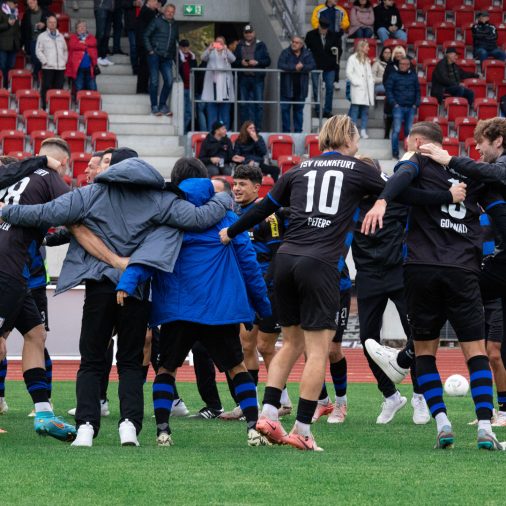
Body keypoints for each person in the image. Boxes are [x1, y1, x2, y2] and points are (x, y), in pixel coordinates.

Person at [0, 153, 232, 447]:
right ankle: (129, 426)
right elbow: (200, 219)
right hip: (136, 287)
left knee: (92, 360)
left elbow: (45, 213)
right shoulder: (159, 199)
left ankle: (85, 428)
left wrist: (8, 211)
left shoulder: (91, 193)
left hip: (99, 287)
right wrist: (224, 198)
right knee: (131, 362)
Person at [219, 115, 397, 451]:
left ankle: (268, 415)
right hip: (320, 264)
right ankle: (301, 429)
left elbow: (263, 208)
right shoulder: (358, 168)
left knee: (290, 344)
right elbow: (399, 186)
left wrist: (231, 231)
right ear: (349, 138)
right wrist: (391, 199)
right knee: (317, 351)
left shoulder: (298, 169)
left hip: (285, 261)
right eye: (357, 138)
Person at [362, 121, 506, 451]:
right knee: (476, 351)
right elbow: (498, 212)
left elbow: (400, 184)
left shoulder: (417, 162)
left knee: (426, 350)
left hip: (421, 268)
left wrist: (383, 200)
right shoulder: (474, 173)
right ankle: (486, 427)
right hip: (463, 269)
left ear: (418, 143)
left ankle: (442, 423)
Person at [115, 159, 272, 448]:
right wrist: (262, 306)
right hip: (218, 310)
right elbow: (249, 265)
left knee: (167, 370)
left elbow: (148, 255)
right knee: (236, 367)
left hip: (178, 310)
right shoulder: (227, 218)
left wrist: (128, 281)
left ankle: (163, 430)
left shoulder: (169, 217)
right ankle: (253, 428)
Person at [0, 141, 77, 442]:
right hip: (7, 271)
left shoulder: (13, 181)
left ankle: (44, 413)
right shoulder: (46, 177)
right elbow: (74, 208)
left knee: (35, 334)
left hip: (19, 275)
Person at [219, 164, 291, 421]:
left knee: (265, 345)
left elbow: (278, 254)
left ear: (257, 188)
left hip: (268, 290)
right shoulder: (234, 215)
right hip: (244, 290)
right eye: (234, 184)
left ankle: (281, 401)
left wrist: (267, 286)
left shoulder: (268, 217)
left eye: (243, 184)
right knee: (246, 345)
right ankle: (248, 403)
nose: (237, 189)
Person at [144, 2, 178, 116]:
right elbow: (146, 35)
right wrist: (150, 50)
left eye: (172, 12)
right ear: (164, 11)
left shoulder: (175, 25)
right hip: (154, 55)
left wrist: (173, 55)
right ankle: (154, 106)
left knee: (169, 81)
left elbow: (176, 41)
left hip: (167, 57)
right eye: (168, 11)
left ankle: (162, 105)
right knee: (154, 81)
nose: (170, 13)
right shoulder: (156, 21)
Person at [234, 25, 271, 129]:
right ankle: (245, 129)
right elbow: (234, 61)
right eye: (246, 32)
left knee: (258, 104)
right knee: (243, 105)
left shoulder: (261, 44)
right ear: (243, 34)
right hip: (243, 79)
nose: (248, 34)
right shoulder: (239, 45)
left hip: (257, 79)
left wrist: (257, 62)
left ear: (254, 33)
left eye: (250, 32)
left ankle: (257, 128)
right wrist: (241, 62)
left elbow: (268, 61)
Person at [278, 36, 316, 133]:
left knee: (298, 112)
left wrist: (302, 67)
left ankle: (298, 133)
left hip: (301, 89)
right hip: (286, 89)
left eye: (297, 42)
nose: (294, 44)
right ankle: (286, 133)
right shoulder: (285, 52)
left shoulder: (307, 53)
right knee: (285, 112)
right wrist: (294, 67)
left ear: (301, 45)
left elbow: (312, 65)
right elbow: (280, 65)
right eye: (293, 42)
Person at [305, 18, 340, 118]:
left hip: (329, 66)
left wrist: (334, 60)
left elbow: (339, 50)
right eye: (322, 28)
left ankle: (327, 111)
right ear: (319, 26)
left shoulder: (333, 35)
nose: (323, 30)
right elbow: (306, 50)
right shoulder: (311, 35)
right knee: (316, 89)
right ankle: (318, 110)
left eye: (325, 29)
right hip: (315, 65)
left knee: (329, 88)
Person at [386, 57, 420, 160]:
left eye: (405, 64)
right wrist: (394, 103)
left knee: (409, 132)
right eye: (401, 64)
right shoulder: (393, 75)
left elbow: (418, 91)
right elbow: (388, 90)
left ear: (409, 65)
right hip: (398, 107)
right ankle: (395, 153)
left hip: (411, 107)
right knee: (396, 130)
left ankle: (408, 154)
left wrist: (416, 104)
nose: (403, 66)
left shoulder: (413, 76)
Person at [311, 0, 349, 89]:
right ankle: (323, 81)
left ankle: (335, 81)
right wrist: (322, 30)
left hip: (336, 39)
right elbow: (314, 23)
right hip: (323, 38)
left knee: (336, 60)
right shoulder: (319, 9)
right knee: (323, 59)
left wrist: (342, 25)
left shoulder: (341, 10)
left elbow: (346, 23)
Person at [201, 36, 236, 129]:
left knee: (224, 111)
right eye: (217, 42)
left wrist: (226, 50)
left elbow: (233, 59)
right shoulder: (211, 52)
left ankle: (225, 131)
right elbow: (203, 58)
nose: (219, 44)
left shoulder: (227, 52)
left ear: (224, 44)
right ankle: (212, 131)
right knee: (212, 111)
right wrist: (209, 49)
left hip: (224, 86)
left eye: (221, 43)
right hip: (213, 85)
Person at [35, 15, 68, 110]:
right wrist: (45, 61)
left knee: (58, 88)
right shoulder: (42, 36)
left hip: (60, 68)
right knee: (47, 87)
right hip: (48, 67)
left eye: (54, 22)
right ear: (47, 24)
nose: (52, 24)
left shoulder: (61, 36)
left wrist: (64, 61)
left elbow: (65, 50)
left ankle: (56, 108)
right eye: (50, 22)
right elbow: (38, 51)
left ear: (56, 24)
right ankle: (45, 107)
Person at [346, 39, 374, 139]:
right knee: (355, 111)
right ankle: (353, 132)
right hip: (357, 88)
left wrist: (371, 82)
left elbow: (368, 75)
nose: (368, 48)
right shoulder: (352, 58)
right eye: (367, 46)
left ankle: (363, 130)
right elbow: (349, 72)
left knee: (365, 111)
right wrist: (356, 82)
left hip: (366, 89)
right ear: (361, 47)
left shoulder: (367, 60)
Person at [20, 0, 51, 86]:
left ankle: (38, 75)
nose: (30, 5)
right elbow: (23, 29)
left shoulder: (46, 12)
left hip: (45, 41)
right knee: (35, 59)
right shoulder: (27, 14)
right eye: (28, 3)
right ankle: (36, 74)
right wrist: (22, 43)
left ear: (36, 1)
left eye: (32, 2)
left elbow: (56, 24)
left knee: (44, 60)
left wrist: (45, 25)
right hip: (33, 40)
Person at [65, 20, 98, 92]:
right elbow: (73, 45)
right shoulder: (73, 37)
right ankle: (79, 99)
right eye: (80, 26)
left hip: (90, 67)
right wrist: (86, 44)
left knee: (92, 87)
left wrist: (82, 43)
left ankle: (91, 99)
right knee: (79, 87)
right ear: (76, 29)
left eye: (84, 26)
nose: (82, 28)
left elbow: (94, 42)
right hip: (78, 68)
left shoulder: (91, 37)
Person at [135, 0, 159, 93]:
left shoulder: (144, 10)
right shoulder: (149, 12)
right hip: (145, 45)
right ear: (150, 1)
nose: (157, 5)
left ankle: (141, 88)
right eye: (156, 2)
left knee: (143, 67)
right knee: (145, 68)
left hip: (142, 43)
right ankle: (142, 88)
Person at [0, 0, 20, 89]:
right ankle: (3, 86)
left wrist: (19, 41)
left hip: (13, 45)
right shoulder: (1, 11)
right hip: (3, 45)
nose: (16, 5)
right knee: (2, 66)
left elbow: (18, 29)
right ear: (7, 3)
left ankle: (8, 86)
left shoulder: (16, 13)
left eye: (16, 3)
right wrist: (7, 24)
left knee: (11, 66)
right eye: (14, 3)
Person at [178, 39, 196, 134]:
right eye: (183, 47)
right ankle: (181, 131)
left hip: (190, 88)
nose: (185, 49)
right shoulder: (177, 56)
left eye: (187, 47)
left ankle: (184, 130)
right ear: (180, 47)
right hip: (182, 88)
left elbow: (194, 71)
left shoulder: (192, 57)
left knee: (189, 113)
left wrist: (192, 58)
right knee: (182, 111)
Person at [94, 0, 114, 67]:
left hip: (110, 8)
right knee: (100, 33)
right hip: (101, 7)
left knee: (107, 34)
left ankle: (104, 56)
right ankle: (97, 56)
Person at [122, 0, 139, 72]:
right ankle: (135, 67)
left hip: (145, 23)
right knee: (134, 46)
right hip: (131, 23)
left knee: (144, 47)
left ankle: (143, 67)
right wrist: (133, 3)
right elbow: (122, 3)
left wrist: (159, 3)